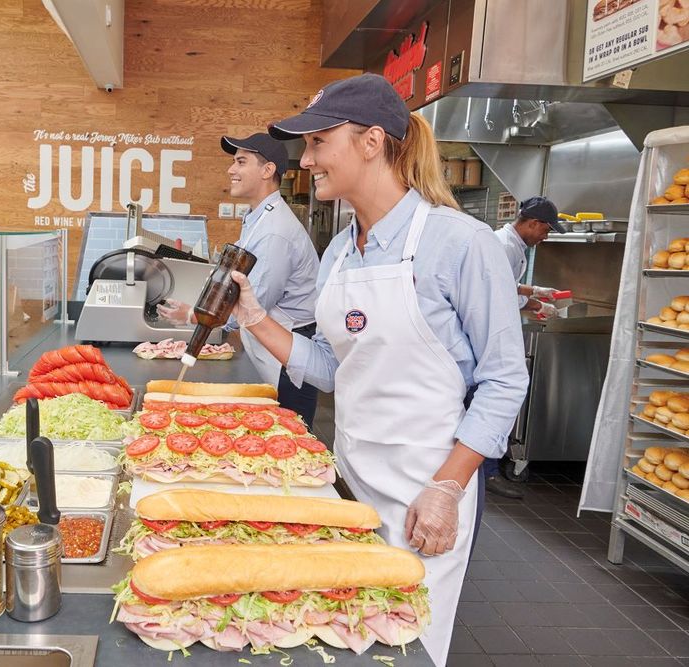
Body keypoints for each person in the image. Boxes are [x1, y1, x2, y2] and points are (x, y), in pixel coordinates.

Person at [228, 74, 528, 666]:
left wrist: (448, 488)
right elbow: (335, 369)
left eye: (318, 142)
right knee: (348, 640)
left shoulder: (459, 243)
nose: (305, 160)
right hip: (351, 481)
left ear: (371, 142)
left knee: (405, 647)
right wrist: (255, 317)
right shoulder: (340, 251)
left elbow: (505, 379)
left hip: (427, 487)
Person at [157, 133, 321, 425]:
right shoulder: (258, 217)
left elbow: (255, 303)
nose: (231, 170)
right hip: (269, 344)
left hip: (288, 353)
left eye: (241, 162)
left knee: (288, 437)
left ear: (267, 170)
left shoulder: (275, 230)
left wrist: (195, 316)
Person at [485, 196, 566, 499]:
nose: (546, 236)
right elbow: (500, 291)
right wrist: (536, 305)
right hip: (489, 335)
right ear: (532, 223)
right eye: (546, 229)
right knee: (491, 403)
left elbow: (508, 284)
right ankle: (488, 473)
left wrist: (537, 291)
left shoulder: (513, 245)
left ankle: (487, 470)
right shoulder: (505, 246)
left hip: (493, 333)